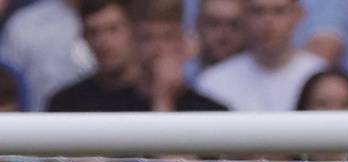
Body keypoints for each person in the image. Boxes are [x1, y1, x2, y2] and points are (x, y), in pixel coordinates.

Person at [48, 0, 227, 113]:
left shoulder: (211, 110)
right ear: (133, 40)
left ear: (187, 43)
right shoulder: (105, 108)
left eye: (167, 37)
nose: (158, 48)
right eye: (147, 37)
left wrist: (163, 101)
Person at [193, 0, 328, 112]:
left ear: (298, 15)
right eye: (258, 11)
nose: (268, 21)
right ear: (244, 16)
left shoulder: (322, 77)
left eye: (278, 11)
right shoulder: (213, 83)